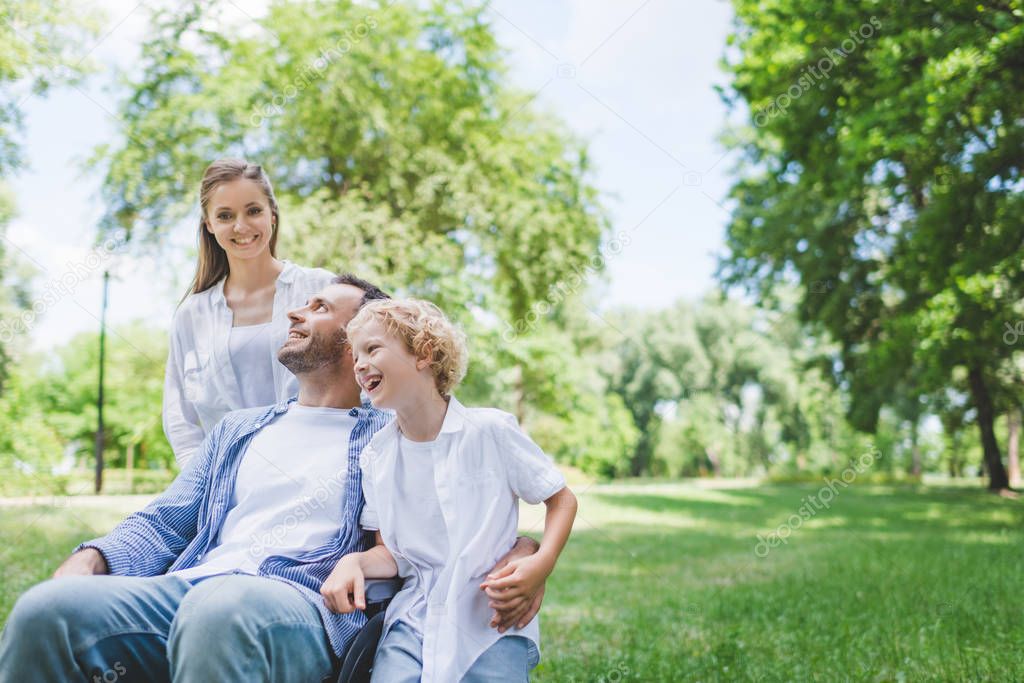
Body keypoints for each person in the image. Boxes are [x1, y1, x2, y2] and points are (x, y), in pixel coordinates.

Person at [0, 276, 544, 683]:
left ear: (360, 340)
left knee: (221, 612)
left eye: (319, 307)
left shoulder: (393, 432)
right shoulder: (239, 429)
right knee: (45, 612)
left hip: (297, 606)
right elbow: (167, 522)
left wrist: (523, 549)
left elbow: (461, 495)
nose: (295, 312)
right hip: (188, 590)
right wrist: (91, 559)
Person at [324, 298, 577, 682]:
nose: (358, 364)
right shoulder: (376, 455)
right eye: (355, 355)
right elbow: (392, 554)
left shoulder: (490, 431)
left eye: (372, 349)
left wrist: (541, 563)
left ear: (424, 354)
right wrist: (354, 563)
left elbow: (561, 500)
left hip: (490, 622)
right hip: (412, 622)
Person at [164, 158, 334, 467]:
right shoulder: (192, 315)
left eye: (253, 211)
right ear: (209, 224)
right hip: (228, 487)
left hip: (317, 472)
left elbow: (364, 381)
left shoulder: (322, 290)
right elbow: (180, 417)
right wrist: (201, 483)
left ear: (272, 213)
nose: (241, 226)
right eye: (225, 215)